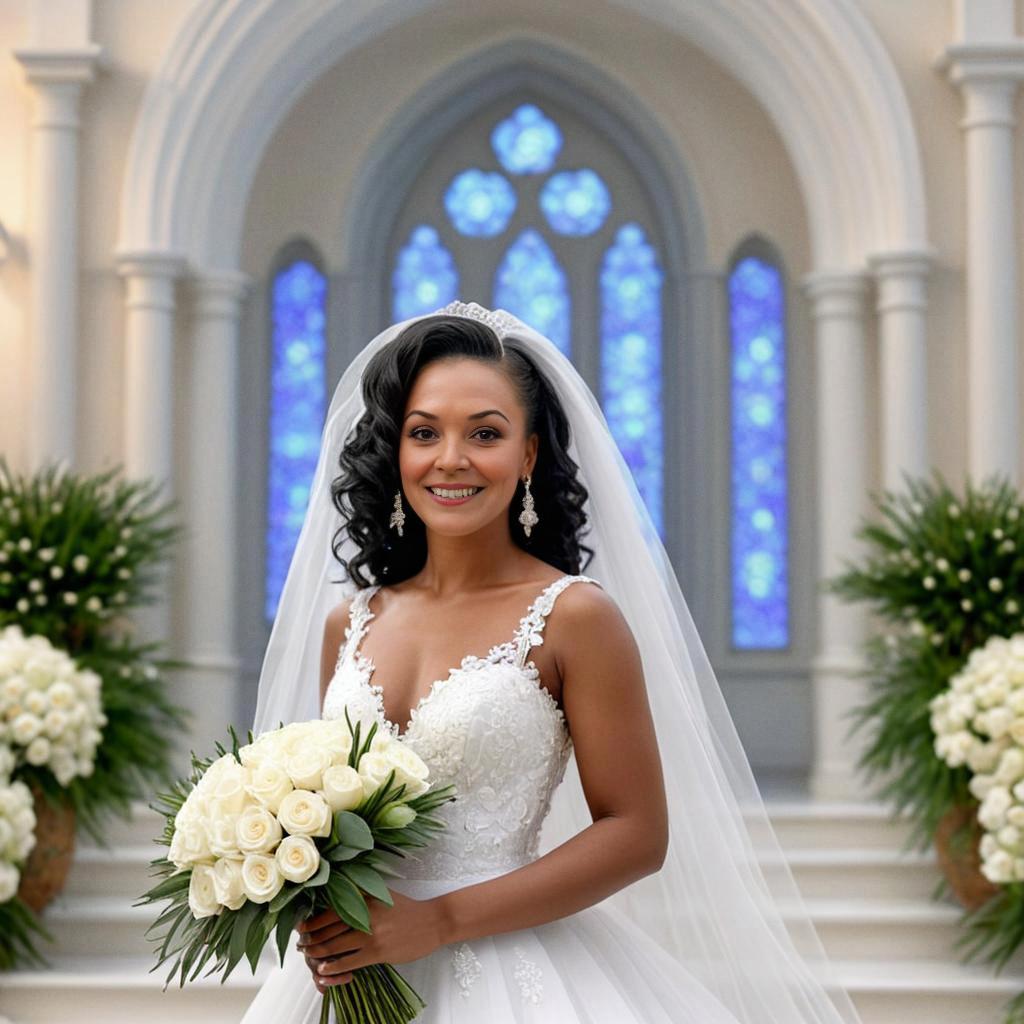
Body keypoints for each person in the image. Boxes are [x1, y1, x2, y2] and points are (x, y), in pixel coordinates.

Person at [242, 301, 864, 1023]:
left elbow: (636, 833)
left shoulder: (575, 617)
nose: (452, 458)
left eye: (485, 433)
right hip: (352, 975)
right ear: (396, 450)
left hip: (512, 972)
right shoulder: (348, 624)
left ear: (529, 455)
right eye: (424, 433)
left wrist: (438, 920)